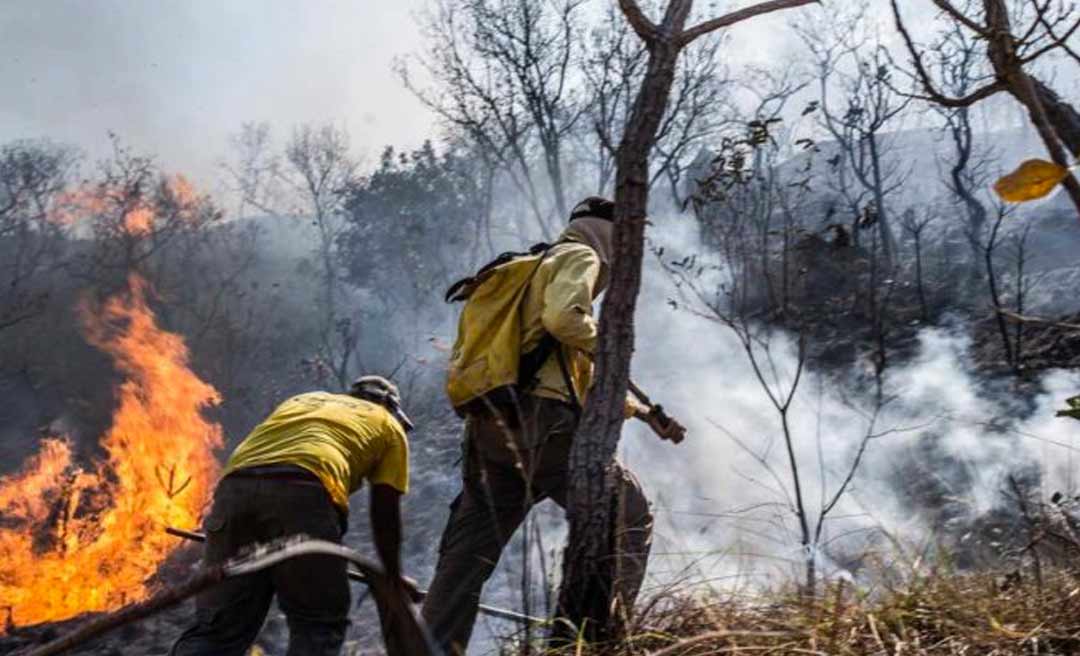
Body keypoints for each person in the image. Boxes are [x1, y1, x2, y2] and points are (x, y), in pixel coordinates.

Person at [423, 196, 687, 654]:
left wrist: (645, 415)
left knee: (465, 560)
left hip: (491, 428)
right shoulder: (580, 256)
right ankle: (600, 643)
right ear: (611, 234)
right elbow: (566, 320)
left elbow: (575, 377)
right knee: (629, 514)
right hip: (545, 427)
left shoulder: (530, 266)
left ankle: (426, 647)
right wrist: (614, 342)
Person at [171, 375, 414, 656]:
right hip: (304, 493)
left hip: (234, 489)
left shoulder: (303, 401)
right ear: (389, 406)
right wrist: (393, 580)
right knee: (318, 624)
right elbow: (385, 514)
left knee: (218, 628)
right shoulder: (388, 426)